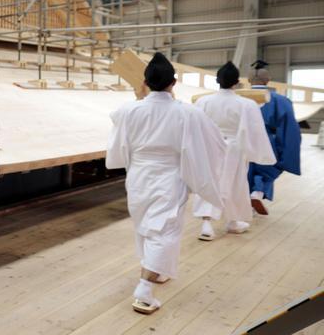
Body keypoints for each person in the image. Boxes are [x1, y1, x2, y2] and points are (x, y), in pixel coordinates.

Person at [106, 52, 225, 314]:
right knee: (164, 230)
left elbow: (116, 118)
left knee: (145, 227)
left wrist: (139, 98)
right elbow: (215, 142)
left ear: (145, 83)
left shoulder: (129, 110)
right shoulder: (186, 112)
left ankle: (155, 272)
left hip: (138, 176)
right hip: (169, 176)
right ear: (174, 83)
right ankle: (145, 290)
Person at [192, 61, 276, 240]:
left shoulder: (202, 101)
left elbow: (195, 128)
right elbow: (254, 130)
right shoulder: (246, 104)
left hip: (209, 147)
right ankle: (233, 221)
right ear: (237, 82)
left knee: (209, 183)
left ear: (217, 80)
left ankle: (207, 223)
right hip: (234, 149)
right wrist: (255, 152)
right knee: (234, 184)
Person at [247, 60, 301, 215]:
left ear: (249, 80)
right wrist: (287, 149)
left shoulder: (239, 98)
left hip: (243, 139)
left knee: (245, 170)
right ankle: (257, 192)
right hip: (267, 139)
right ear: (268, 80)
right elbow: (290, 128)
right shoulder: (280, 100)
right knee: (269, 167)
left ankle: (247, 202)